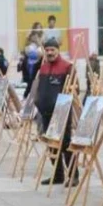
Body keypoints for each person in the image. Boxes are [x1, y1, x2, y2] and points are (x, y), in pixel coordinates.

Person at [34, 37, 77, 186]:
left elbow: (74, 88)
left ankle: (73, 175)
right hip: (45, 111)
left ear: (58, 50)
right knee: (51, 143)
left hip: (61, 112)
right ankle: (58, 175)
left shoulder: (67, 67)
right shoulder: (44, 67)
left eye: (52, 50)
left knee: (65, 144)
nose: (50, 52)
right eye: (47, 50)